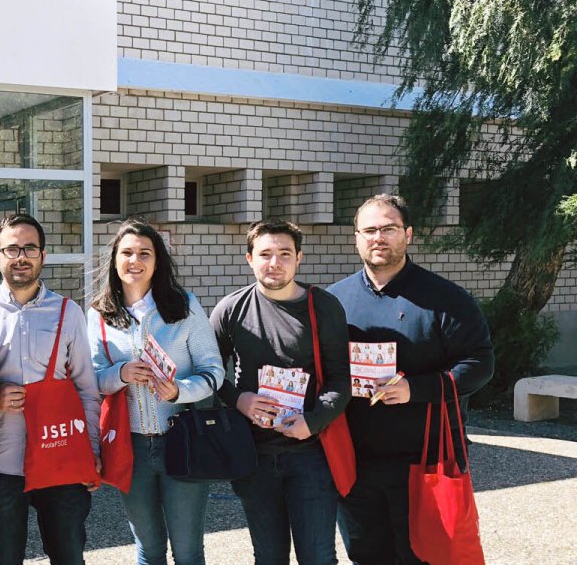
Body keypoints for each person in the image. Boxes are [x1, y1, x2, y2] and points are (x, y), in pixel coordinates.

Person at [328, 194, 494, 565]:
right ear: (356, 237)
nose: (378, 237)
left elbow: (479, 363)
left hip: (425, 460)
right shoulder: (332, 301)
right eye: (369, 230)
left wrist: (414, 389)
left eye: (389, 228)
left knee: (423, 556)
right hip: (354, 461)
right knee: (366, 555)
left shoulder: (446, 299)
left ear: (409, 234)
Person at [210, 219, 351, 565]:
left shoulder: (324, 307)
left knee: (317, 556)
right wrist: (238, 400)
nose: (275, 263)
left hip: (311, 453)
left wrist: (313, 422)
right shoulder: (230, 309)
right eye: (266, 254)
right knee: (269, 556)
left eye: (284, 254)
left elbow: (341, 381)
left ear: (299, 258)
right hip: (252, 454)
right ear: (249, 259)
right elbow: (210, 372)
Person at [87, 220, 225, 565]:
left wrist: (179, 390)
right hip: (130, 445)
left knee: (188, 550)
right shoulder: (99, 314)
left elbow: (214, 371)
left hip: (183, 439)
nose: (135, 261)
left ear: (157, 261)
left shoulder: (185, 306)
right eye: (127, 253)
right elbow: (92, 379)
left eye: (144, 253)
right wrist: (120, 374)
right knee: (148, 548)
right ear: (114, 260)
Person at [0, 213, 100, 565]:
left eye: (30, 248)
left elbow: (87, 388)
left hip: (63, 459)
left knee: (68, 557)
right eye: (12, 249)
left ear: (42, 255)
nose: (21, 256)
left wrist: (91, 450)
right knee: (5, 559)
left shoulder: (68, 312)